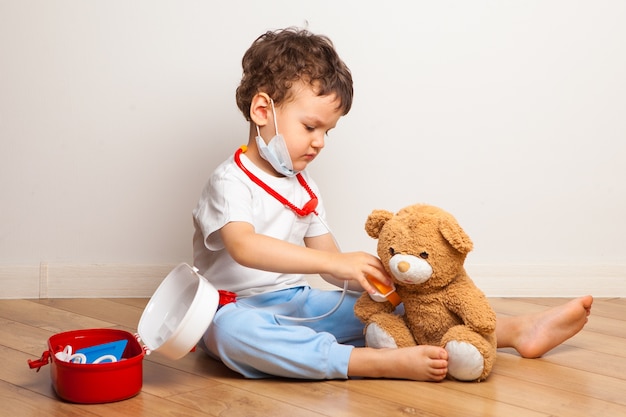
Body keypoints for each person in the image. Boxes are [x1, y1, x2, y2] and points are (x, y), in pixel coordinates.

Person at [193, 27, 593, 381]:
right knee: (234, 336)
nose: (320, 142)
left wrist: (372, 278)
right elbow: (244, 247)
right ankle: (372, 363)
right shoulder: (231, 181)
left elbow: (332, 263)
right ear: (263, 111)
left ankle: (512, 332)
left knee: (388, 311)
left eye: (328, 131)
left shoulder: (302, 185)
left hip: (296, 300)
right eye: (310, 127)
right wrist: (333, 263)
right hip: (232, 308)